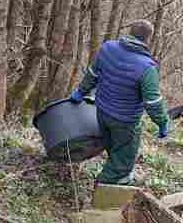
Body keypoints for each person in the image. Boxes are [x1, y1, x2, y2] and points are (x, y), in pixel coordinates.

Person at [69, 19, 171, 186]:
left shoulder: (108, 48)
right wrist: (163, 123)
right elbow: (153, 102)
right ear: (148, 39)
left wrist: (80, 92)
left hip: (102, 113)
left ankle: (119, 181)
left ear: (130, 32)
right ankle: (103, 187)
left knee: (114, 150)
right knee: (122, 162)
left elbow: (92, 74)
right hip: (125, 122)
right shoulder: (147, 67)